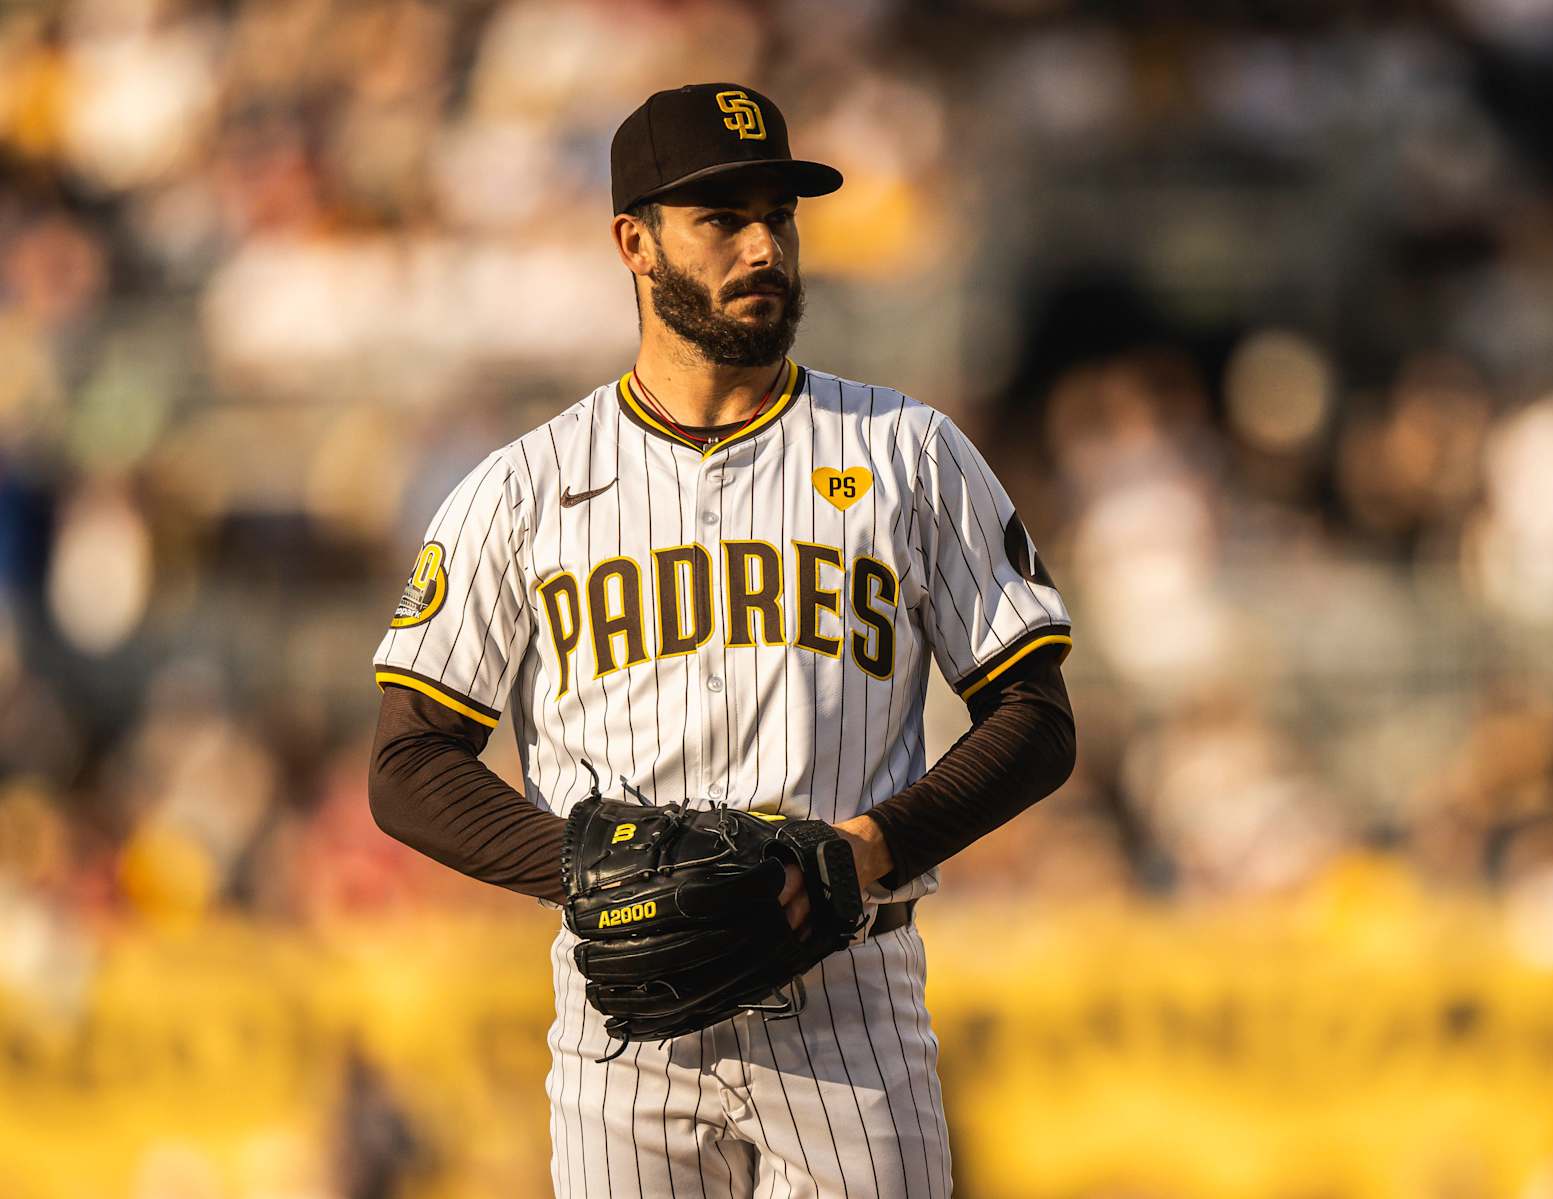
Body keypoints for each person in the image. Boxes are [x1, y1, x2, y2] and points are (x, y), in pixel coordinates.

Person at [367, 82, 1075, 1198]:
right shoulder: (523, 487)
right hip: (625, 1024)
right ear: (633, 242)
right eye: (723, 219)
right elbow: (407, 763)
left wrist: (868, 846)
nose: (765, 247)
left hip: (849, 998)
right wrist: (590, 872)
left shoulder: (908, 450)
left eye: (779, 217)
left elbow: (1036, 718)